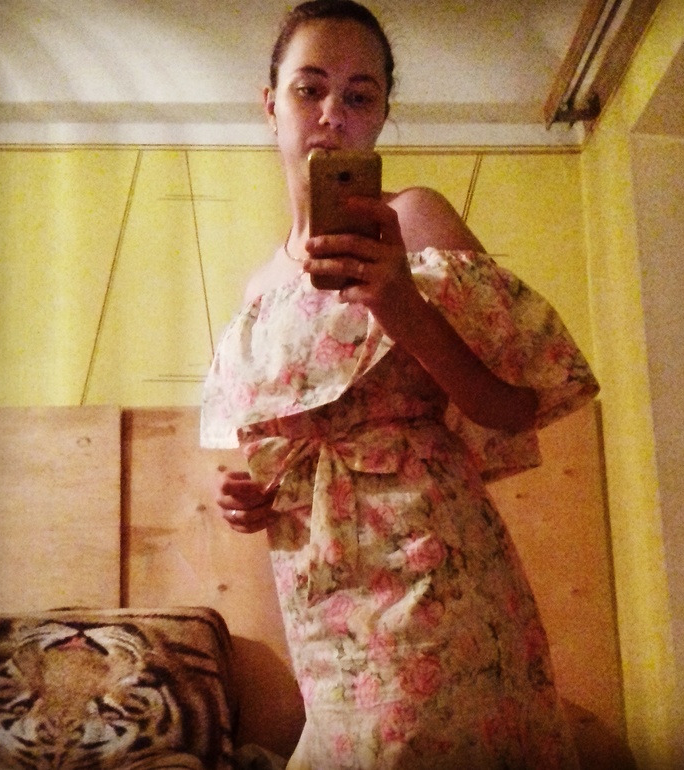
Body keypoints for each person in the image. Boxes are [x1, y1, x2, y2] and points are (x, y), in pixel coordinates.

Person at [201, 1, 599, 767]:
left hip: (432, 570)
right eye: (310, 89)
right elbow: (286, 450)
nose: (333, 114)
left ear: (382, 115)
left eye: (360, 95)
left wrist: (403, 305)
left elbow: (514, 407)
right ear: (271, 105)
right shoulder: (257, 290)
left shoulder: (416, 221)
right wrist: (253, 496)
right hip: (317, 588)